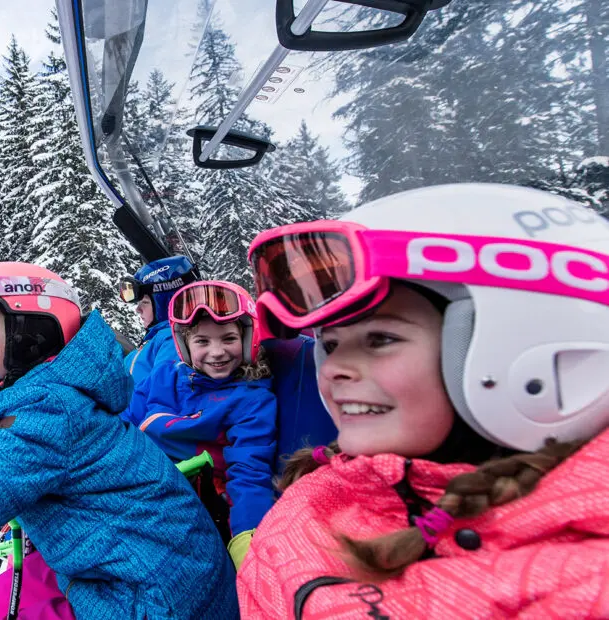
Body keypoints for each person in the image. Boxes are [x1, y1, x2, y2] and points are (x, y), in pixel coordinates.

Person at [237, 183, 609, 618]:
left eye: (380, 339)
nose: (333, 368)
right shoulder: (313, 504)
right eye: (331, 345)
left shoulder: (584, 574)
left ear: (516, 340)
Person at [0, 262, 238, 619]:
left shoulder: (48, 413)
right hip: (169, 584)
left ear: (29, 334)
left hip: (156, 604)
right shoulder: (62, 396)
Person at [123, 281, 277, 569]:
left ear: (247, 339)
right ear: (184, 345)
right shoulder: (166, 377)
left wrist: (248, 537)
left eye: (228, 338)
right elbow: (122, 426)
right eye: (202, 342)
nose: (216, 352)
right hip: (136, 485)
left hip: (193, 503)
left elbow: (249, 470)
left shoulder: (250, 397)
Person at [118, 255, 198, 384]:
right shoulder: (157, 339)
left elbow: (162, 392)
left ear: (164, 304)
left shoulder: (172, 341)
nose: (138, 309)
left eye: (144, 302)